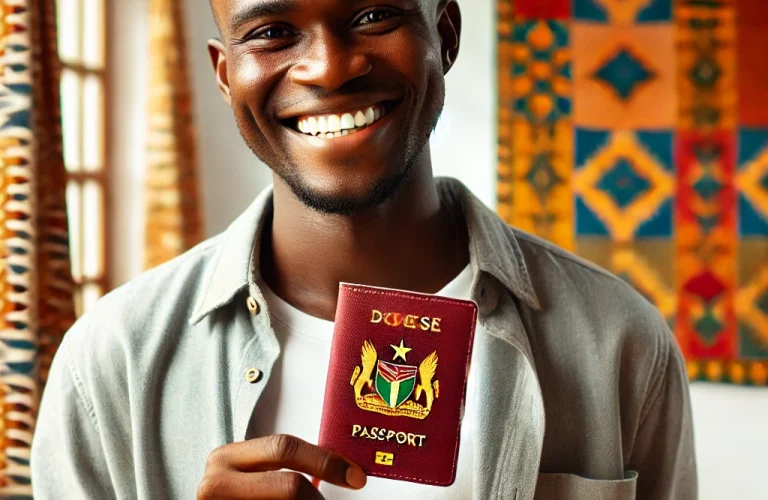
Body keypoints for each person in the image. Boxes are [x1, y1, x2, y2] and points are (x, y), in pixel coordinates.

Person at [31, 0, 697, 498]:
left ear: (445, 33)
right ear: (225, 73)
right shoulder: (109, 365)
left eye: (375, 14)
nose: (329, 66)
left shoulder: (618, 341)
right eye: (271, 32)